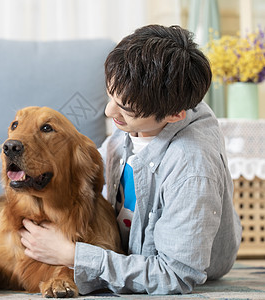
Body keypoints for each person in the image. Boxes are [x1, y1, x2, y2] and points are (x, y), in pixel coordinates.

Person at [19, 24, 242, 295]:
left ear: (174, 115)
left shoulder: (192, 169)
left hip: (169, 266)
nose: (108, 110)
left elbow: (175, 275)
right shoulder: (145, 107)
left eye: (125, 108)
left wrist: (74, 256)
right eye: (110, 94)